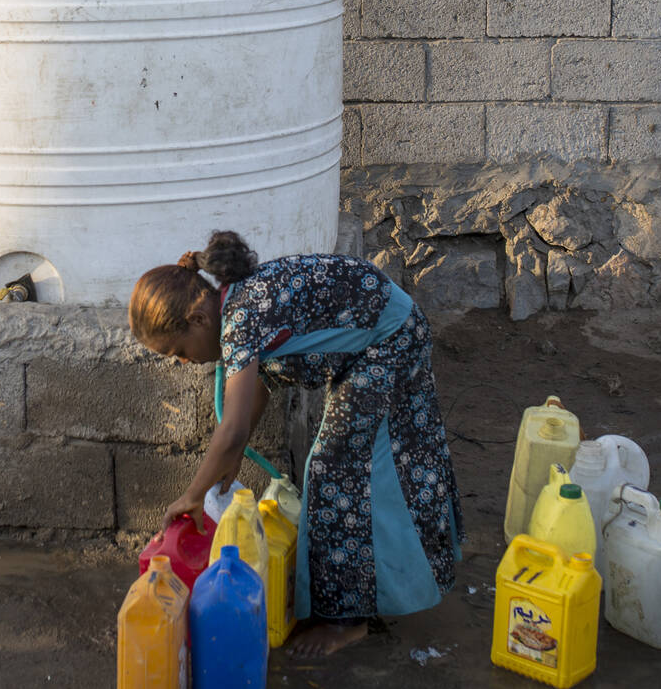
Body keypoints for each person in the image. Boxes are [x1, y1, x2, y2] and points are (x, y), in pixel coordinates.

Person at [129, 230, 463, 658]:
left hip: (389, 338)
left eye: (178, 350)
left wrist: (193, 495)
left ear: (198, 319)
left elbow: (230, 428)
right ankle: (362, 587)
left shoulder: (240, 317)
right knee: (367, 462)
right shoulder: (234, 304)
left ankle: (346, 621)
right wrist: (231, 456)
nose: (182, 361)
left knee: (335, 468)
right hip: (378, 332)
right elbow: (255, 394)